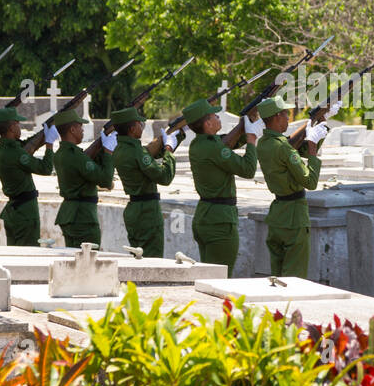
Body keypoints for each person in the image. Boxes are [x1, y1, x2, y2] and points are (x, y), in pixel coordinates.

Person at [185, 97, 261, 274]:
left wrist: (244, 124)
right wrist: (251, 139)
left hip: (205, 216)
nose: (219, 118)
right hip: (220, 223)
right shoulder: (214, 148)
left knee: (208, 277)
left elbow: (226, 143)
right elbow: (248, 170)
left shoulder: (199, 144)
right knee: (218, 278)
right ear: (207, 124)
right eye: (215, 116)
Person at [255, 96, 326, 278]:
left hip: (278, 217)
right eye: (286, 114)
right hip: (294, 219)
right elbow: (310, 182)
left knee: (277, 277)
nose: (288, 118)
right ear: (277, 116)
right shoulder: (283, 147)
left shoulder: (263, 144)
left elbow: (293, 148)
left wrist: (321, 120)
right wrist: (312, 145)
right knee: (294, 280)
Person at [109, 106, 177, 258]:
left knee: (139, 258)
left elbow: (146, 155)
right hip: (147, 213)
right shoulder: (137, 151)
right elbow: (164, 177)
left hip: (134, 210)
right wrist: (169, 149)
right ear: (133, 128)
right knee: (151, 259)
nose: (142, 126)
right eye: (139, 124)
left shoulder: (120, 149)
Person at [0, 106, 58, 247]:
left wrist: (43, 135)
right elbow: (46, 168)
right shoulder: (16, 153)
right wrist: (49, 144)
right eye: (17, 123)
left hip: (13, 212)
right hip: (25, 213)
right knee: (28, 254)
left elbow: (27, 146)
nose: (19, 127)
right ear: (11, 127)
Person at [53, 108, 116, 248]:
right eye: (80, 126)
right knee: (88, 262)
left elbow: (87, 169)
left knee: (74, 261)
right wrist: (107, 153)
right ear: (72, 130)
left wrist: (100, 149)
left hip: (70, 215)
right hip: (82, 218)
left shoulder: (61, 153)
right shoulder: (75, 156)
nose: (82, 130)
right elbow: (105, 180)